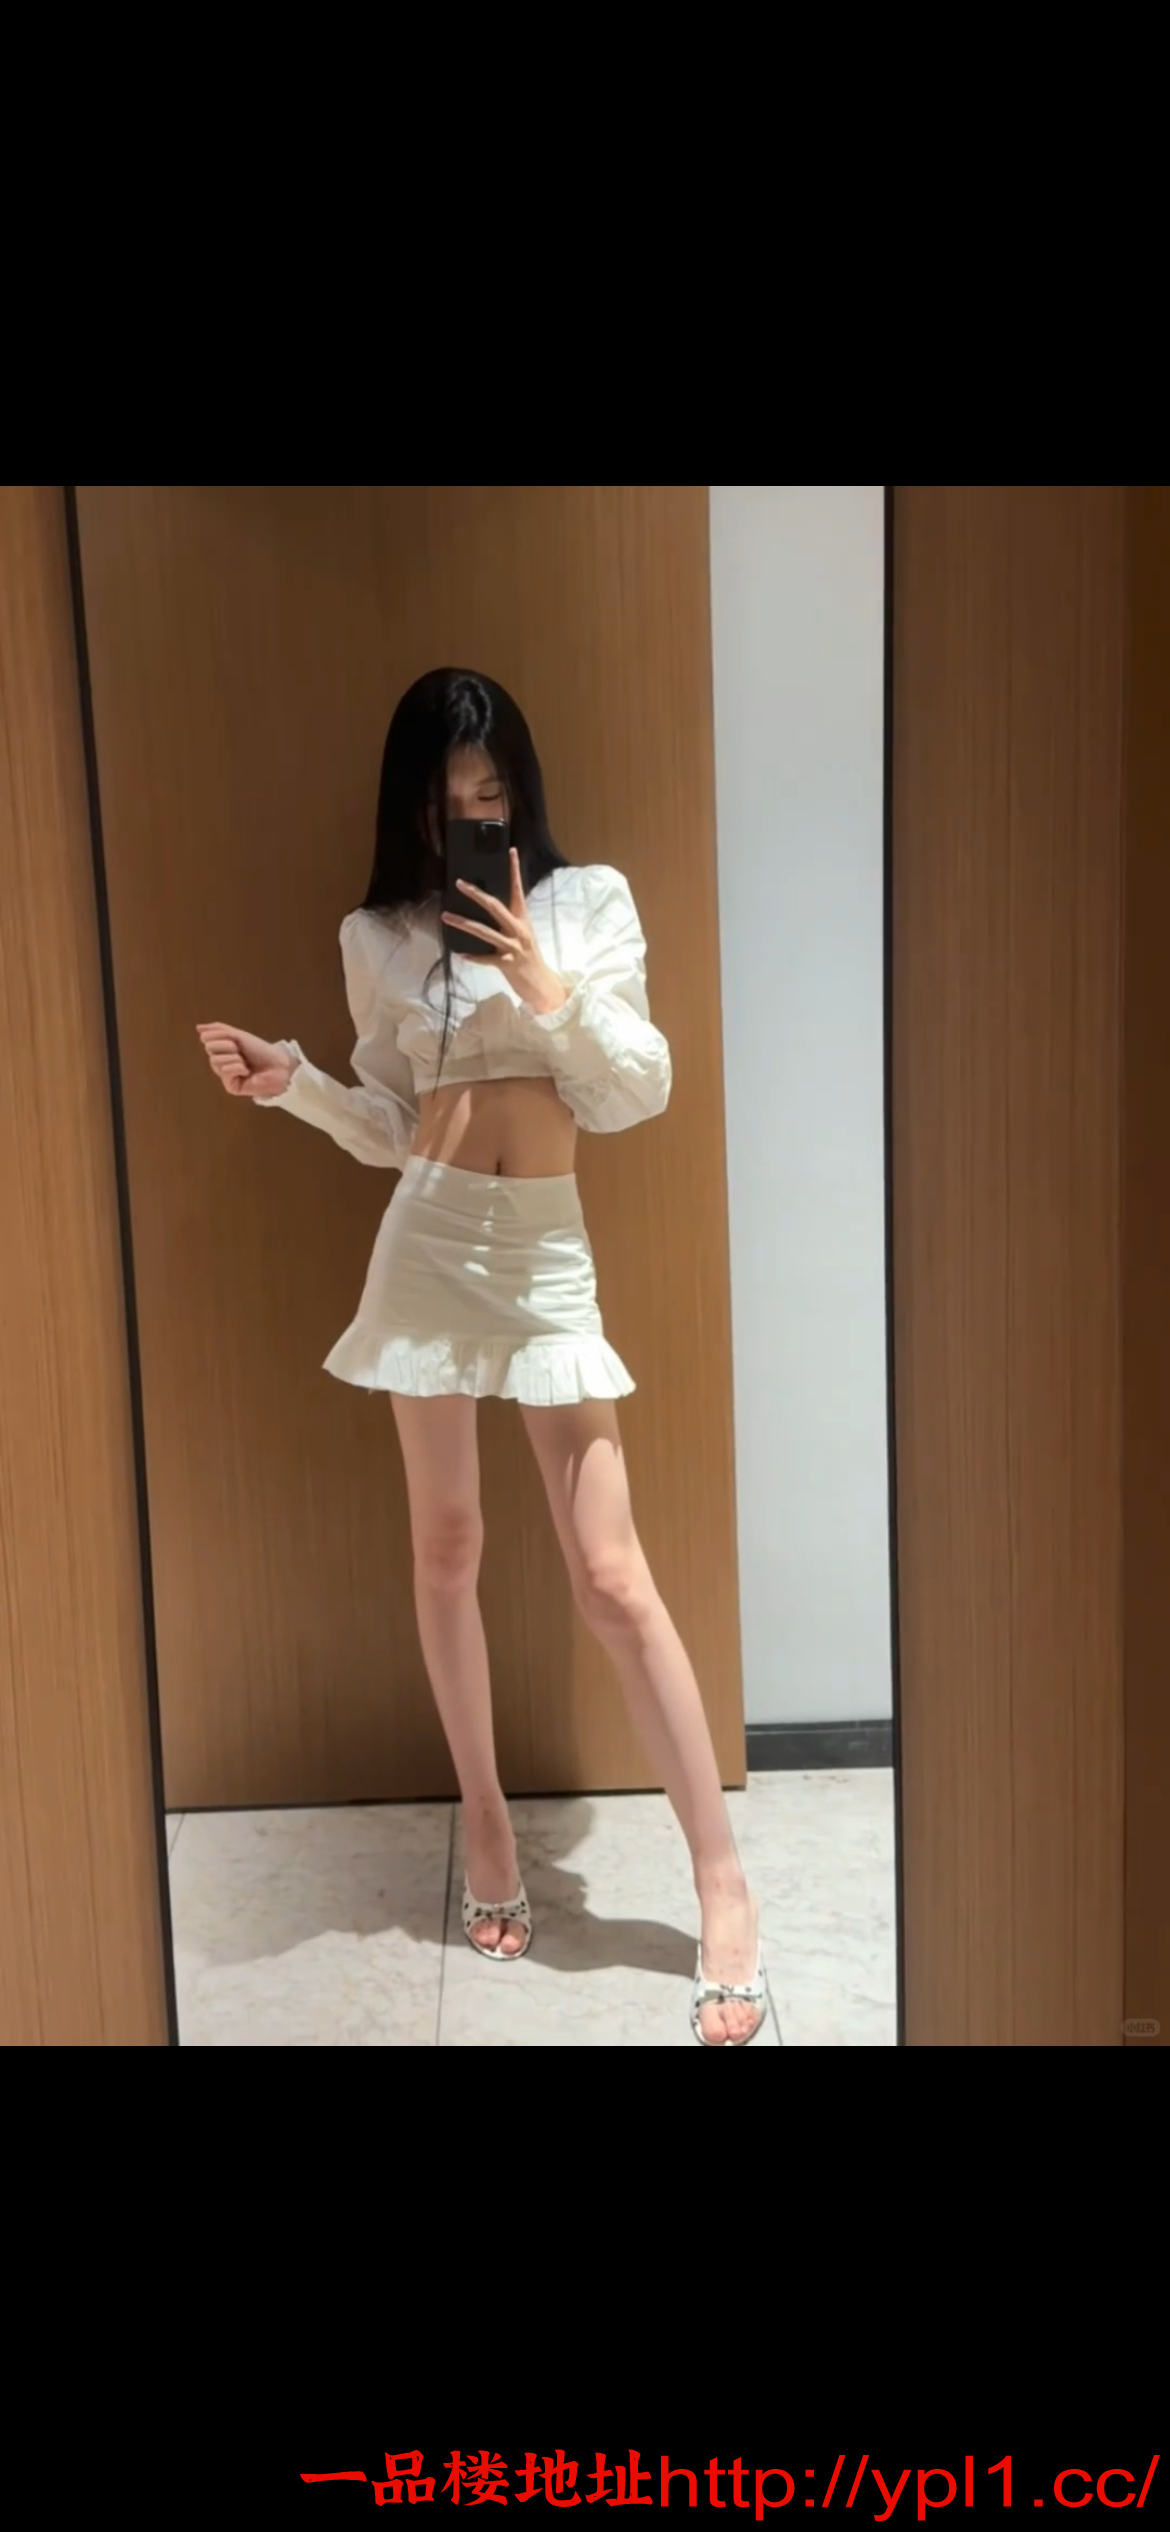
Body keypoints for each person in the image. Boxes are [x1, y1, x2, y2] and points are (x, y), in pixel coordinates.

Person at [197, 668, 766, 2045]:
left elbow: (640, 1090)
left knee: (612, 1575)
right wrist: (297, 1086)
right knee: (445, 1547)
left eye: (490, 791)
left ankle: (721, 1880)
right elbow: (399, 1125)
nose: (470, 812)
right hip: (429, 1243)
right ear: (410, 806)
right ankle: (490, 1822)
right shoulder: (378, 934)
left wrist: (543, 984)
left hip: (548, 1256)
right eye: (446, 797)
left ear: (519, 789)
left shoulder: (588, 902)